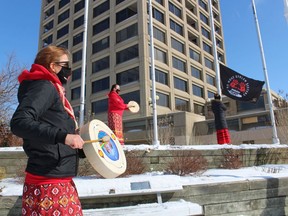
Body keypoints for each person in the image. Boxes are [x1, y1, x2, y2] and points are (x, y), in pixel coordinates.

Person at [10, 45, 84, 215]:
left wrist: (77, 143)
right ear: (53, 66)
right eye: (66, 65)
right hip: (49, 184)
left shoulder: (50, 89)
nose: (69, 71)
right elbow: (20, 123)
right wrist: (64, 136)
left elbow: (51, 131)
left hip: (56, 178)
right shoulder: (45, 86)